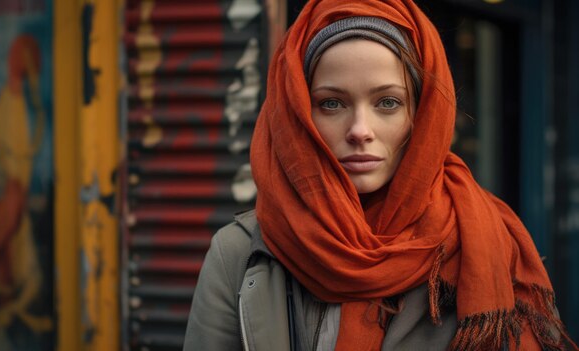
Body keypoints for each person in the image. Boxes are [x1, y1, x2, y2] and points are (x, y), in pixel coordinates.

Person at [184, 0, 577, 350]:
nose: (359, 129)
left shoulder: (487, 241)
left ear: (421, 115)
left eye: (388, 102)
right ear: (298, 116)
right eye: (331, 103)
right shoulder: (240, 255)